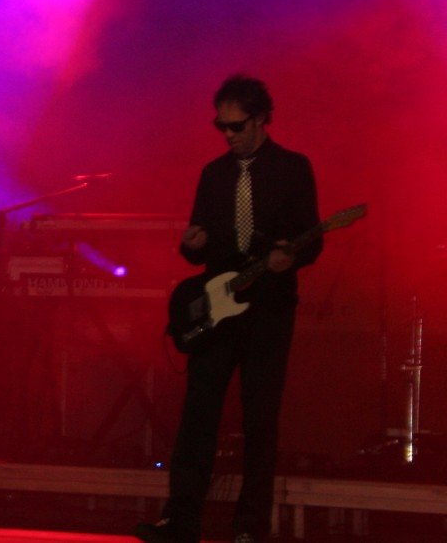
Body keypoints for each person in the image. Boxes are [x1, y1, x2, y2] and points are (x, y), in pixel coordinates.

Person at [136, 76, 322, 543]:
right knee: (198, 414)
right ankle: (181, 521)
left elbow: (312, 237)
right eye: (221, 126)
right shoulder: (214, 174)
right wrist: (192, 244)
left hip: (268, 310)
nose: (228, 134)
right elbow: (198, 245)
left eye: (236, 126)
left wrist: (290, 256)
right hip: (219, 309)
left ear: (260, 120)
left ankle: (250, 528)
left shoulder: (292, 168)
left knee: (260, 419)